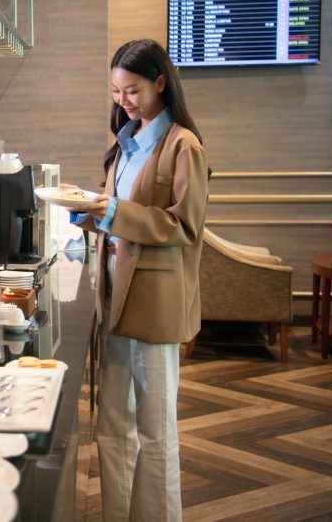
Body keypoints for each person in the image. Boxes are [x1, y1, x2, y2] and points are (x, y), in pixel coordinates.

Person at [68, 38, 209, 521]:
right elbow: (119, 217)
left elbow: (182, 226)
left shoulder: (182, 146)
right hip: (114, 295)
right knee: (112, 424)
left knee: (155, 429)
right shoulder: (126, 141)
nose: (123, 100)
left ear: (160, 84)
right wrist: (87, 212)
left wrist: (110, 211)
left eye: (132, 90)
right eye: (115, 91)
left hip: (154, 298)